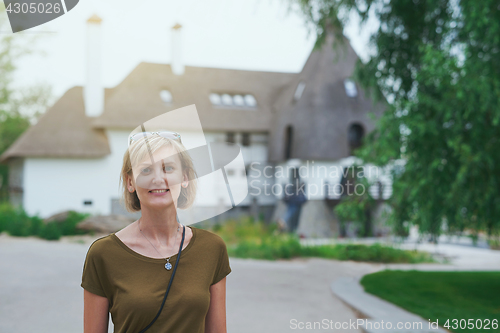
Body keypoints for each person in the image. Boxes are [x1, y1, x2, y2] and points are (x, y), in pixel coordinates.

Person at [81, 130, 231, 333]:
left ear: (184, 178)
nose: (158, 179)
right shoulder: (103, 254)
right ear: (130, 182)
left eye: (168, 168)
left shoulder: (212, 248)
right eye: (145, 170)